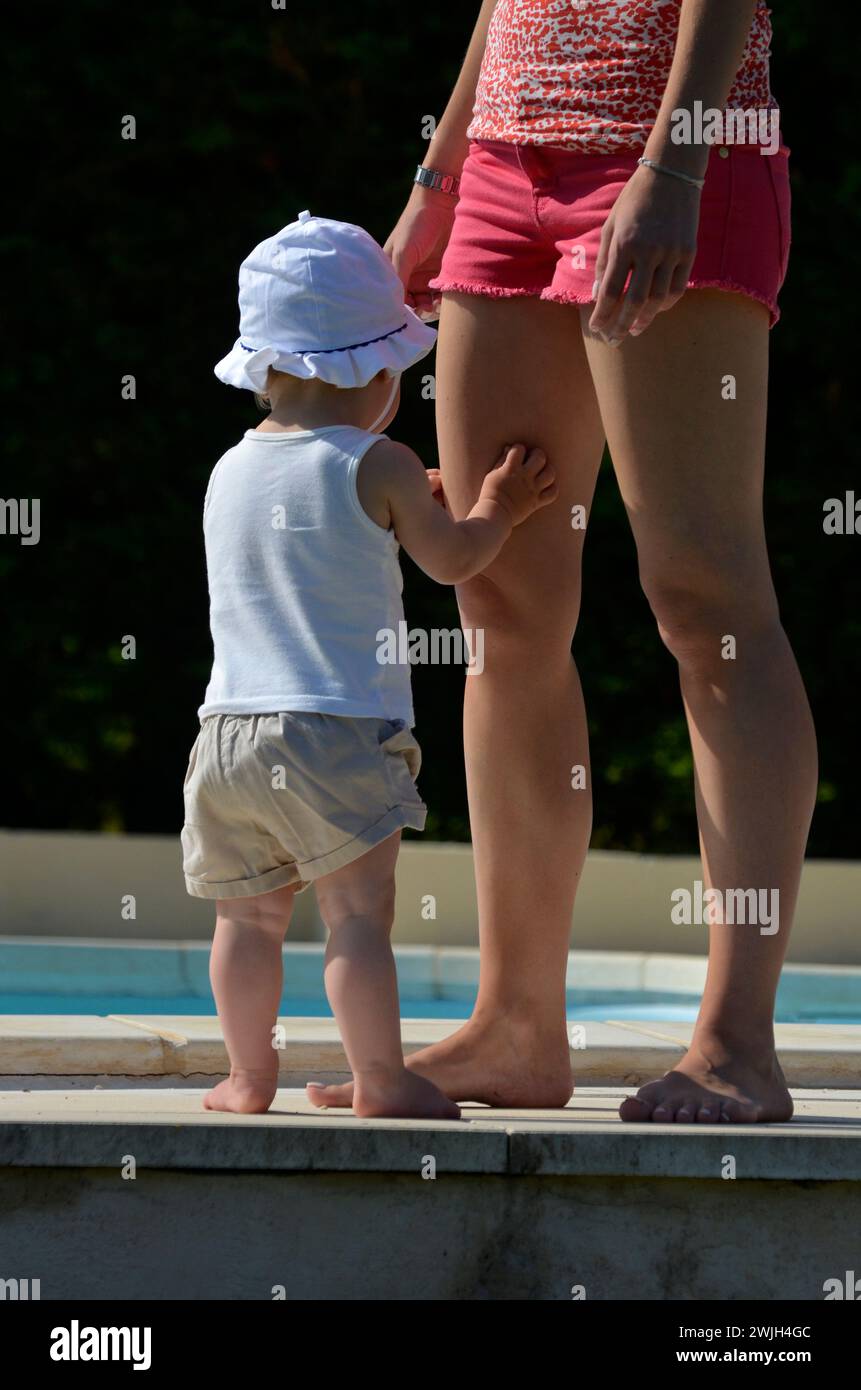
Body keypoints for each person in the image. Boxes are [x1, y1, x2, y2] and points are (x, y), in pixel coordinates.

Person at [314, 0, 816, 1124]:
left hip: (675, 153)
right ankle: (517, 1026)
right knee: (498, 600)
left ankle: (736, 1043)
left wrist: (677, 165)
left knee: (705, 598)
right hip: (502, 164)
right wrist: (436, 184)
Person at [180, 211, 556, 1120]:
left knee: (247, 919)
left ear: (264, 365)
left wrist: (391, 507)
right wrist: (497, 506)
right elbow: (453, 558)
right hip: (334, 729)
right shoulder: (381, 460)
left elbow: (308, 543)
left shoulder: (229, 469)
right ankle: (383, 1081)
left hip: (224, 735)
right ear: (381, 371)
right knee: (355, 919)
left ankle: (246, 1079)